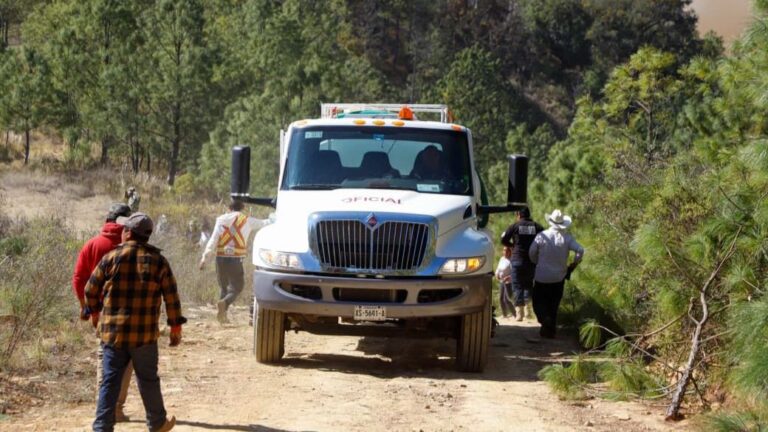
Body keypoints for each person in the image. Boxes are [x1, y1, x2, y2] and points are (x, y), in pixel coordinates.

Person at [85, 212, 185, 432]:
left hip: (113, 334)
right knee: (148, 380)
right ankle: (157, 423)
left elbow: (90, 289)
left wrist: (94, 313)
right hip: (144, 336)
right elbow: (171, 297)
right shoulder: (159, 261)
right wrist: (175, 327)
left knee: (110, 381)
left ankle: (102, 427)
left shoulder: (111, 257)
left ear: (128, 233)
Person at [72, 203, 134, 423]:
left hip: (102, 313)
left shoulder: (92, 244)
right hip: (130, 313)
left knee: (105, 358)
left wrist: (87, 308)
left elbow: (79, 279)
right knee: (127, 361)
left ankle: (104, 408)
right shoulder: (133, 246)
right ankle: (116, 408)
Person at [199, 200, 269, 323]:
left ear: (229, 208)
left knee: (224, 287)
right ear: (242, 207)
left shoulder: (221, 219)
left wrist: (204, 257)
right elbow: (264, 223)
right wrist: (275, 217)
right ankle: (225, 303)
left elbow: (213, 240)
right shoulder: (247, 220)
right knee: (237, 287)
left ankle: (222, 316)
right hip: (236, 259)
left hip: (220, 258)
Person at [528, 209, 584, 339]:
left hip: (542, 277)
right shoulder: (567, 238)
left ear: (551, 221)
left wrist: (536, 262)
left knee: (538, 302)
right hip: (559, 277)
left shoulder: (542, 236)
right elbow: (580, 250)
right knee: (553, 305)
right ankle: (550, 331)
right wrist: (574, 264)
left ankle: (544, 320)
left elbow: (531, 253)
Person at [500, 207, 544, 321]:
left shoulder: (515, 226)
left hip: (517, 260)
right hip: (531, 260)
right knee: (528, 284)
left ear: (519, 215)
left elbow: (503, 240)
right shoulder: (537, 226)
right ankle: (528, 311)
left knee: (517, 285)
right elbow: (544, 239)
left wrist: (512, 246)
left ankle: (520, 314)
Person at [494, 246, 515, 318]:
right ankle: (504, 314)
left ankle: (515, 314)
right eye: (504, 250)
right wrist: (497, 274)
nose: (505, 252)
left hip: (509, 282)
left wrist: (508, 277)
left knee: (507, 299)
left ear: (510, 252)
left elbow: (514, 273)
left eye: (506, 250)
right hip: (502, 281)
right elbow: (498, 268)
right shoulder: (502, 259)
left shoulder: (511, 260)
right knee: (501, 299)